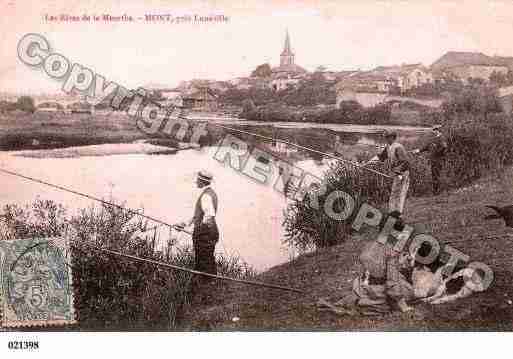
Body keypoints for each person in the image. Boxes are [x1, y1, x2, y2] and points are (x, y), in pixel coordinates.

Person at [178, 171, 219, 279]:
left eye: (198, 180)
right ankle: (208, 284)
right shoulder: (210, 193)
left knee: (203, 262)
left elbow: (209, 216)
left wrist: (199, 229)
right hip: (209, 232)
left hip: (205, 234)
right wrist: (184, 225)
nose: (196, 182)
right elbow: (198, 215)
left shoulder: (206, 196)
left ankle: (206, 286)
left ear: (202, 182)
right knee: (206, 259)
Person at [364, 130, 411, 219]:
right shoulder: (388, 147)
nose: (386, 139)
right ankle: (392, 213)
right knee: (394, 193)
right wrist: (368, 163)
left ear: (393, 137)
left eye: (387, 137)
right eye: (385, 137)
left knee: (400, 194)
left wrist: (397, 171)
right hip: (397, 174)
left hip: (403, 174)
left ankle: (398, 215)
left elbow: (405, 162)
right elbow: (380, 157)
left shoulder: (398, 147)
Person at [413, 125, 447, 195]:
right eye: (433, 130)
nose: (433, 131)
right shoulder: (434, 139)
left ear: (438, 130)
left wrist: (435, 153)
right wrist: (418, 150)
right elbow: (426, 147)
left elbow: (444, 147)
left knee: (437, 176)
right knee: (434, 176)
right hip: (433, 161)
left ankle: (437, 192)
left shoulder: (441, 138)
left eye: (434, 130)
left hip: (438, 161)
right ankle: (435, 192)